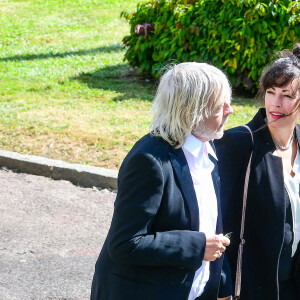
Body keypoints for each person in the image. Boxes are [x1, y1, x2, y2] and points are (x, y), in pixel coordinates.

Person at [90, 62, 234, 300]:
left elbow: (212, 225)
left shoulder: (208, 151)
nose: (230, 110)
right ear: (193, 111)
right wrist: (196, 247)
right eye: (220, 106)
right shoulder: (148, 162)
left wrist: (222, 287)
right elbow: (125, 243)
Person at [215, 43, 300, 299]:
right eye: (270, 92)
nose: (276, 103)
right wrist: (222, 287)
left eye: (286, 95)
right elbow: (216, 220)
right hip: (252, 286)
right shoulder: (238, 143)